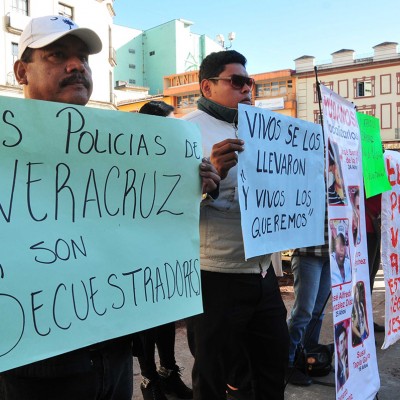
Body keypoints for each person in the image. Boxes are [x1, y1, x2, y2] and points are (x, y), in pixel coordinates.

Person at [0, 15, 134, 400]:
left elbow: (143, 231)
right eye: (57, 55)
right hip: (35, 366)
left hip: (115, 352)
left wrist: (193, 188)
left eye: (83, 58)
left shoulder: (122, 149)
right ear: (21, 71)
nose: (76, 66)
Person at [183, 50, 289, 400]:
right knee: (212, 374)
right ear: (207, 86)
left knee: (272, 366)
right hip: (216, 276)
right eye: (237, 82)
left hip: (263, 272)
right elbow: (164, 207)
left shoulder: (265, 129)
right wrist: (208, 180)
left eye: (250, 82)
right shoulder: (183, 130)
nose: (247, 89)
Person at [135, 101, 193, 400]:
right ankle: (149, 380)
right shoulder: (130, 157)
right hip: (137, 255)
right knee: (144, 324)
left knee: (166, 318)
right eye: (171, 124)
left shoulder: (176, 158)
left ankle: (168, 373)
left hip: (167, 253)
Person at [286, 210, 331, 386]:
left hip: (332, 250)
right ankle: (287, 363)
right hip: (307, 252)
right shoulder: (307, 180)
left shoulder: (340, 180)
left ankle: (309, 357)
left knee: (318, 312)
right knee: (303, 313)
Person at [365, 193, 384, 332]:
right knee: (365, 277)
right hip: (366, 225)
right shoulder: (370, 169)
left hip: (375, 224)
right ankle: (362, 325)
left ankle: (366, 320)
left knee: (371, 274)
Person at [328, 140, 347, 205]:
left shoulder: (354, 195)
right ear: (333, 168)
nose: (341, 172)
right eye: (339, 166)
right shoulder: (327, 193)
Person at [351, 282, 369, 346]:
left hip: (363, 332)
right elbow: (353, 327)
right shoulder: (352, 309)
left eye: (357, 292)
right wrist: (360, 336)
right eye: (354, 294)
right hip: (358, 334)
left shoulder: (361, 305)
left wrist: (367, 333)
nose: (356, 295)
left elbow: (364, 320)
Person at [335, 322, 349, 391]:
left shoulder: (348, 358)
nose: (343, 344)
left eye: (344, 339)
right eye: (341, 342)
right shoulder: (338, 365)